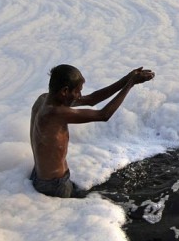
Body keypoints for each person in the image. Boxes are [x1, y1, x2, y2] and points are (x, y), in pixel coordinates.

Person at [29, 64, 155, 198]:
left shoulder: (44, 99)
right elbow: (103, 115)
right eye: (77, 91)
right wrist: (130, 85)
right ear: (65, 91)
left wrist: (127, 79)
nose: (79, 96)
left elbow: (91, 99)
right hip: (54, 186)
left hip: (40, 176)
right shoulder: (55, 113)